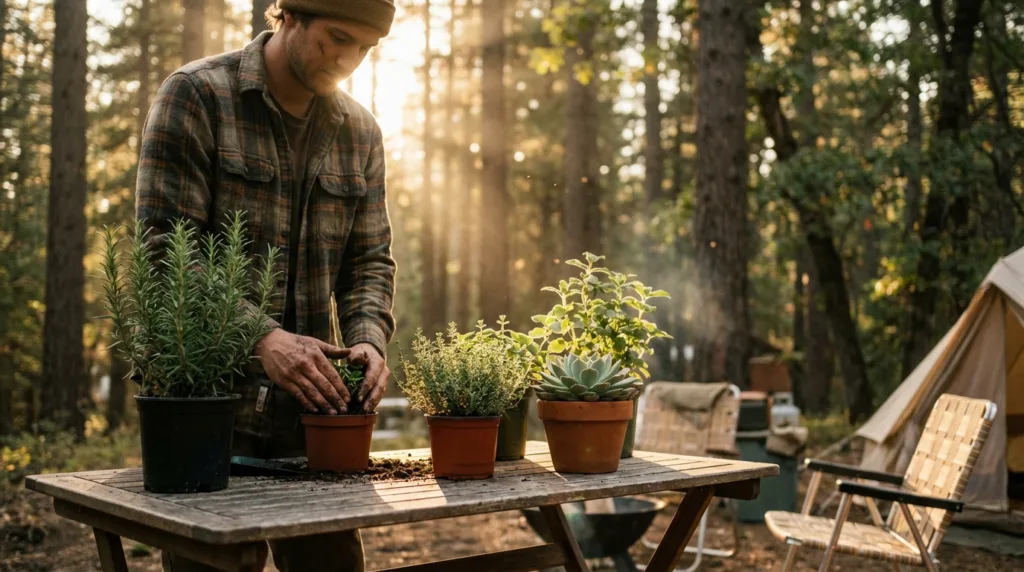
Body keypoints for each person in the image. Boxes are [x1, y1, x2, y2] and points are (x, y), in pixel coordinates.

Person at [135, 0, 397, 570]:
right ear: (290, 15)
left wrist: (370, 341)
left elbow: (370, 262)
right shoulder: (197, 96)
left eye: (365, 48)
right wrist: (262, 337)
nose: (349, 59)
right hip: (205, 411)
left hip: (316, 416)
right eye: (338, 38)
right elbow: (162, 252)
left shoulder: (362, 131)